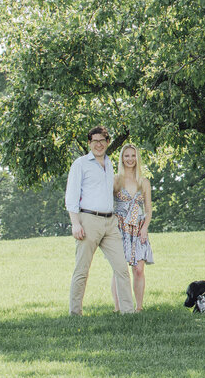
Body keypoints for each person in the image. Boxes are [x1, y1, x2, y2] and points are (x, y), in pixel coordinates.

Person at [65, 125, 135, 315]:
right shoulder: (80, 164)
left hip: (110, 222)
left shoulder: (110, 163)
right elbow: (71, 196)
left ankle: (129, 312)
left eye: (102, 141)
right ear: (89, 143)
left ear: (107, 142)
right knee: (82, 270)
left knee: (121, 268)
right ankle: (75, 313)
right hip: (88, 221)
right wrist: (75, 223)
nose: (98, 145)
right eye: (94, 141)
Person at [111, 143, 154, 312]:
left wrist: (144, 228)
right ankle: (117, 307)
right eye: (126, 156)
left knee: (138, 269)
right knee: (120, 270)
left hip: (138, 228)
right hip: (120, 228)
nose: (130, 159)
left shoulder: (143, 182)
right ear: (122, 158)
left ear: (137, 158)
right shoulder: (115, 180)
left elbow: (149, 210)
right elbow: (108, 204)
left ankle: (139, 307)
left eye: (133, 156)